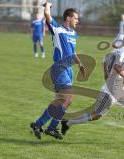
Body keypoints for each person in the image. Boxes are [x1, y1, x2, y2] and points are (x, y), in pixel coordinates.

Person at [61, 31, 124, 141]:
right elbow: (118, 67)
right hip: (109, 91)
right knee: (95, 116)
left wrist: (105, 73)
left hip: (118, 88)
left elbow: (105, 59)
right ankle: (68, 122)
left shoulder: (117, 51)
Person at [30, 2, 86, 140]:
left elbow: (72, 53)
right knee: (68, 99)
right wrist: (47, 5)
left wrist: (79, 64)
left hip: (69, 70)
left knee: (59, 101)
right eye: (76, 18)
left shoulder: (74, 33)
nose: (77, 21)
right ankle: (51, 127)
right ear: (68, 18)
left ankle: (39, 124)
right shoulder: (57, 29)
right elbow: (47, 15)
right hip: (59, 68)